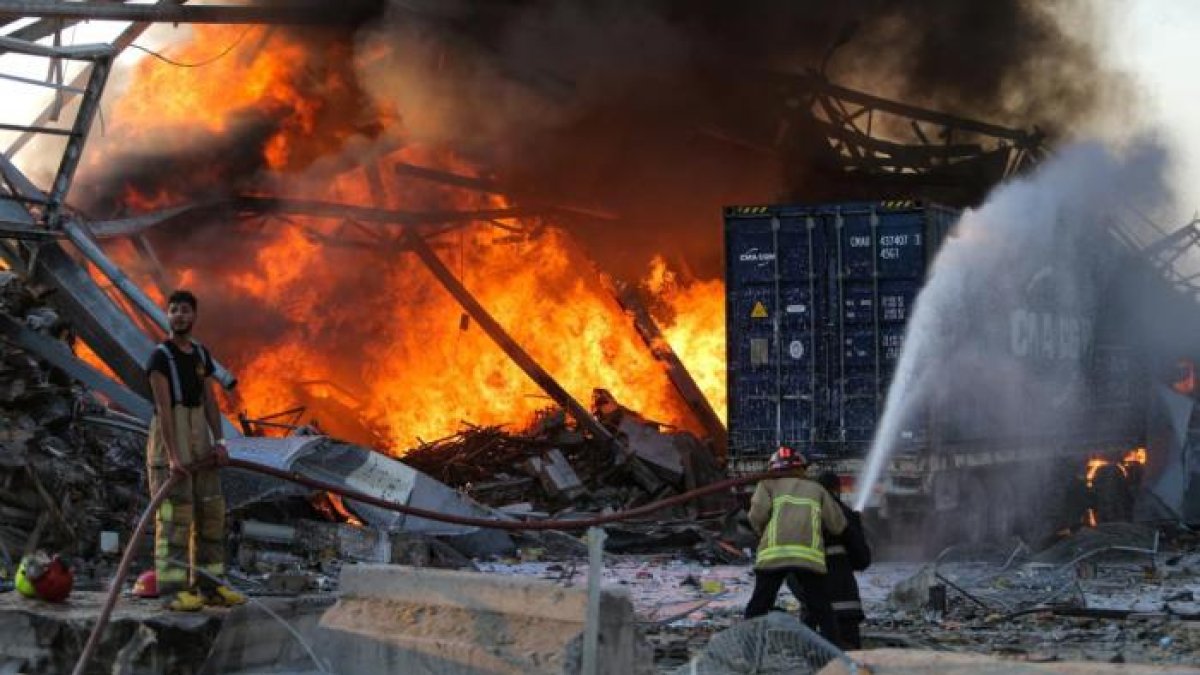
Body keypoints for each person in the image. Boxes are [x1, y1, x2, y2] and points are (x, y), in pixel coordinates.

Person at [145, 290, 245, 611]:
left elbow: (211, 402)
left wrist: (220, 442)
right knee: (175, 518)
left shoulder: (201, 355)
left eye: (185, 310)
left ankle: (210, 586)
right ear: (168, 316)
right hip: (171, 437)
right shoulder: (160, 358)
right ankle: (172, 591)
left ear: (194, 316)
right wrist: (174, 457)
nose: (179, 316)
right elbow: (163, 409)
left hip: (200, 437)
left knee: (211, 512)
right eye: (173, 310)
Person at [744, 446, 846, 643]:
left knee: (759, 604)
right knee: (821, 605)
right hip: (808, 557)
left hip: (774, 555)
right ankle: (834, 652)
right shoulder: (817, 489)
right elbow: (838, 525)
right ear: (802, 468)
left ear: (773, 467)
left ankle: (748, 646)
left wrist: (763, 532)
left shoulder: (766, 485)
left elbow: (757, 515)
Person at [800, 471, 871, 649]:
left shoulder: (802, 515)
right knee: (848, 657)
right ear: (836, 490)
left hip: (812, 604)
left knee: (814, 658)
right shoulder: (846, 514)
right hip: (844, 601)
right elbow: (862, 560)